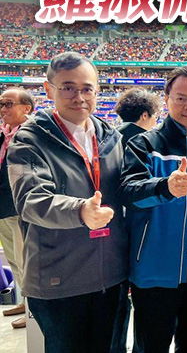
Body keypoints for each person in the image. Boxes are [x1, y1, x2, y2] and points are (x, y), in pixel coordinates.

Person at [7, 51, 128, 353]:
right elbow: (31, 199)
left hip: (111, 277)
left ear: (97, 91)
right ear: (49, 90)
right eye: (68, 88)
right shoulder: (29, 139)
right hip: (59, 281)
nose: (79, 97)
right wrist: (80, 210)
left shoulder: (110, 137)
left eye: (87, 88)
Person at [120, 66, 187, 353]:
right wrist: (165, 187)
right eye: (181, 98)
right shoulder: (145, 144)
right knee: (152, 345)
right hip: (157, 263)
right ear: (166, 99)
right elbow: (129, 193)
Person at [111, 87, 161, 353]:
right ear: (144, 115)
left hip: (109, 234)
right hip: (140, 235)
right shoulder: (147, 142)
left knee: (117, 311)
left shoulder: (107, 138)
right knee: (147, 312)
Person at [0, 88, 34, 330]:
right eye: (1, 104)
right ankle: (24, 301)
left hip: (20, 207)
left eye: (9, 104)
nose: (3, 109)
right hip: (3, 206)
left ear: (26, 108)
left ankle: (33, 309)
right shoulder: (4, 134)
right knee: (13, 258)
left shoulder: (32, 134)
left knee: (25, 260)